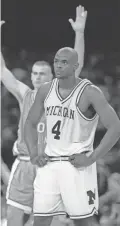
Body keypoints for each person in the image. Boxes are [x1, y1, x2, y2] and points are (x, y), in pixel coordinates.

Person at [1, 5, 87, 226]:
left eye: (43, 74)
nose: (38, 78)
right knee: (13, 221)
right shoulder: (25, 95)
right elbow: (2, 71)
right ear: (31, 76)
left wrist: (79, 32)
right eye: (35, 74)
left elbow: (76, 67)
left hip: (50, 167)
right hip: (24, 165)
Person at [24, 46, 120, 226]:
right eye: (56, 61)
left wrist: (91, 158)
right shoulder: (45, 90)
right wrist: (34, 153)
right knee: (40, 220)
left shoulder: (90, 92)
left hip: (76, 165)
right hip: (49, 163)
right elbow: (29, 123)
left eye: (64, 62)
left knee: (83, 221)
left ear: (76, 66)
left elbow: (115, 127)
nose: (58, 66)